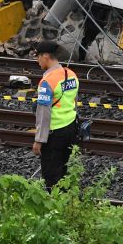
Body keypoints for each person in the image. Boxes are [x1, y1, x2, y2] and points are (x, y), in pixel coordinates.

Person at [31, 40, 80, 188]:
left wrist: (39, 139)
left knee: (51, 176)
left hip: (54, 134)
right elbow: (74, 102)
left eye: (38, 56)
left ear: (46, 56)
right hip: (71, 129)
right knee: (66, 172)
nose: (37, 60)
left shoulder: (47, 82)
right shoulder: (71, 74)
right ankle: (67, 203)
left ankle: (55, 206)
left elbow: (43, 113)